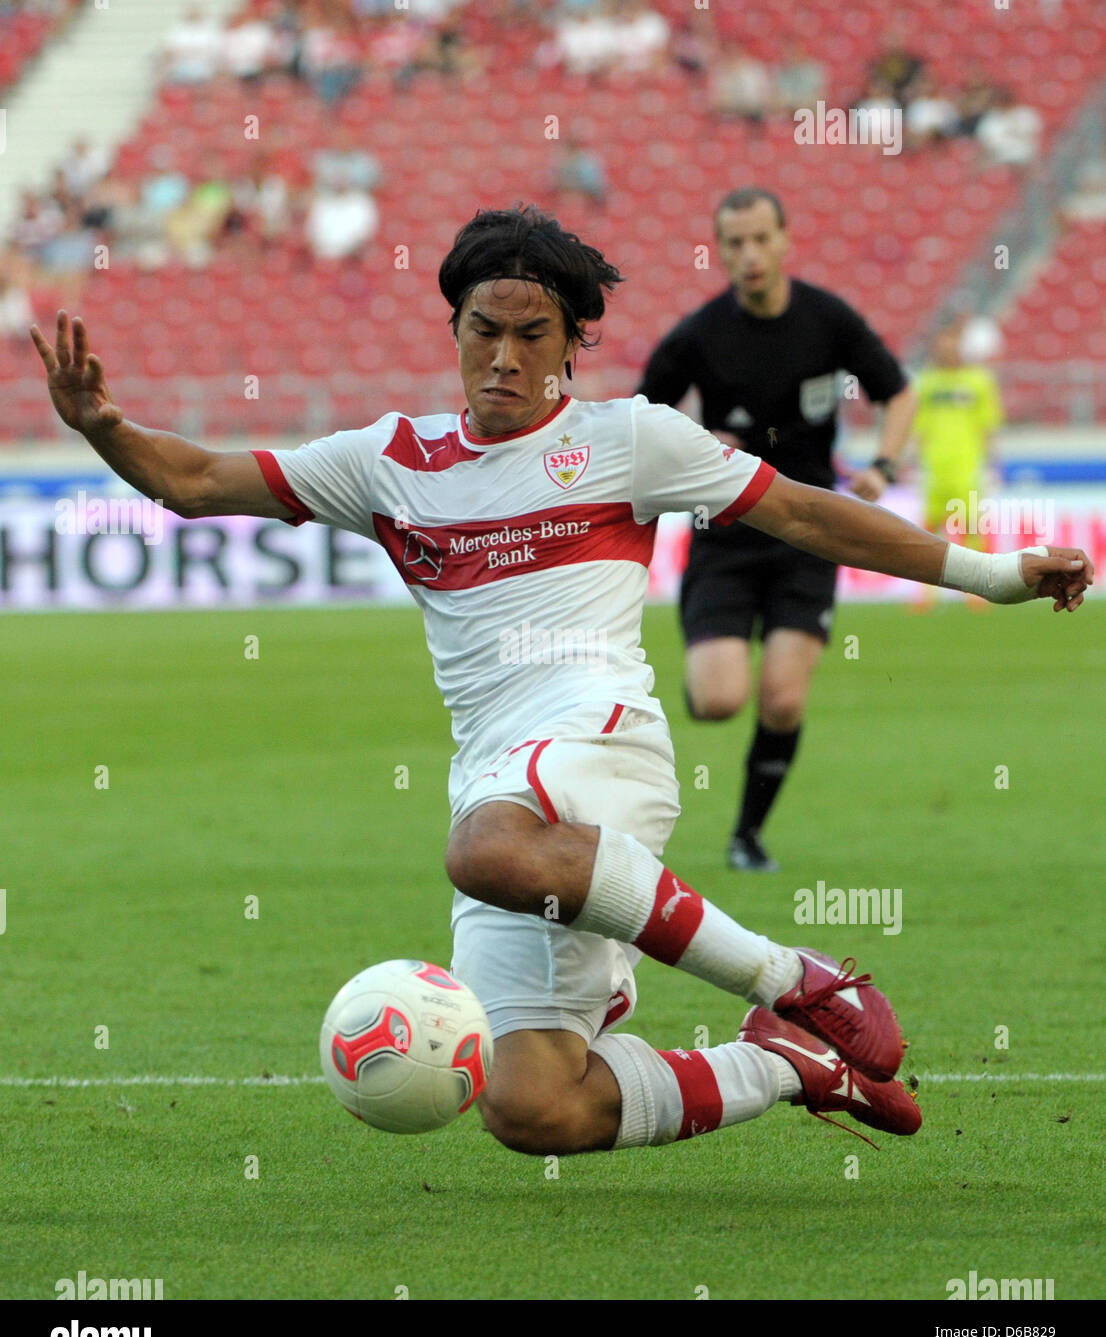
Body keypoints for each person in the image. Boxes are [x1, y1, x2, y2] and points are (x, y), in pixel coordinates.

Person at [30, 208, 1091, 1158]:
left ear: (572, 345)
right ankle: (786, 1063)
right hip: (497, 773)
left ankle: (794, 981)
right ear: (452, 330)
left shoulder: (626, 440)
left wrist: (989, 572)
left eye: (530, 334)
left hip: (601, 740)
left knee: (485, 848)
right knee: (533, 1105)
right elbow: (194, 480)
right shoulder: (388, 461)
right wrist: (105, 428)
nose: (501, 356)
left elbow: (806, 513)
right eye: (481, 329)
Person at [636, 187, 917, 873]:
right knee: (717, 700)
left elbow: (899, 392)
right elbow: (639, 422)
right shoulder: (699, 335)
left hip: (811, 531)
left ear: (786, 239)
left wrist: (883, 462)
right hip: (726, 533)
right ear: (720, 250)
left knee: (784, 698)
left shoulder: (828, 320)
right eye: (734, 243)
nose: (749, 255)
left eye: (761, 239)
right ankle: (706, 674)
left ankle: (747, 836)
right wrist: (698, 440)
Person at [911, 321, 1004, 610]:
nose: (946, 351)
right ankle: (926, 593)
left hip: (967, 468)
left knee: (972, 528)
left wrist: (992, 465)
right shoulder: (926, 383)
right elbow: (919, 427)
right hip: (935, 470)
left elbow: (988, 425)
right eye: (941, 346)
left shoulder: (979, 381)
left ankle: (980, 589)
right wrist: (913, 462)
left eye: (951, 346)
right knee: (929, 531)